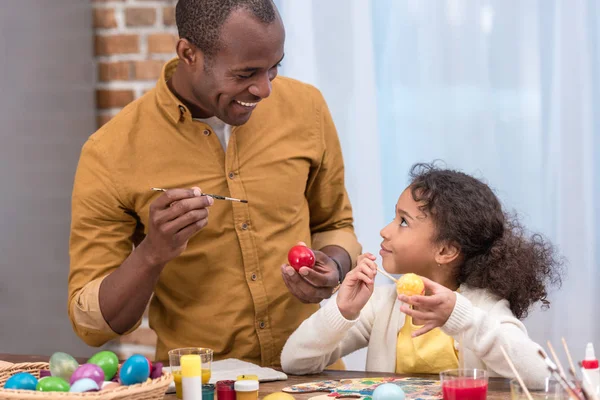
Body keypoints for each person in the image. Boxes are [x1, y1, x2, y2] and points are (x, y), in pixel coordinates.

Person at [68, 0, 361, 366]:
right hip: (201, 385)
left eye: (274, 68)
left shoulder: (307, 107)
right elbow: (92, 324)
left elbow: (334, 225)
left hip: (315, 378)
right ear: (188, 53)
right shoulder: (110, 152)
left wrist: (332, 267)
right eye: (245, 74)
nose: (264, 90)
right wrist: (152, 253)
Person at [281, 162, 563, 388]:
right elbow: (295, 363)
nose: (385, 230)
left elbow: (541, 375)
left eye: (403, 222)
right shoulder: (383, 304)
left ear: (445, 250)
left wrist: (460, 317)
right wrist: (342, 311)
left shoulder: (479, 308)